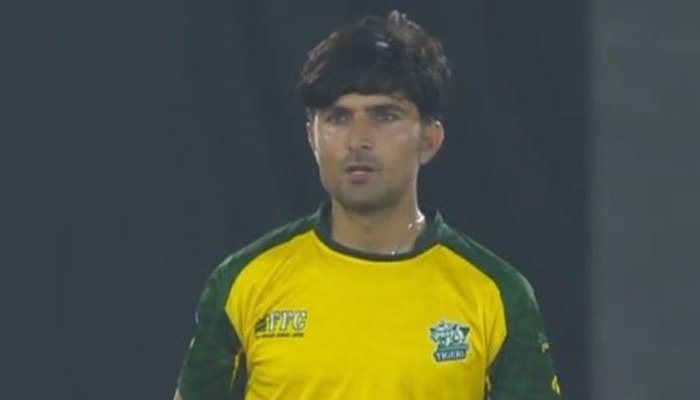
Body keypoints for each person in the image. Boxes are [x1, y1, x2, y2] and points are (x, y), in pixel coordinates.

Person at [174, 10, 562, 400]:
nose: (358, 139)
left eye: (384, 115)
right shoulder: (244, 282)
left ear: (429, 140)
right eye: (338, 118)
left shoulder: (495, 294)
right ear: (312, 137)